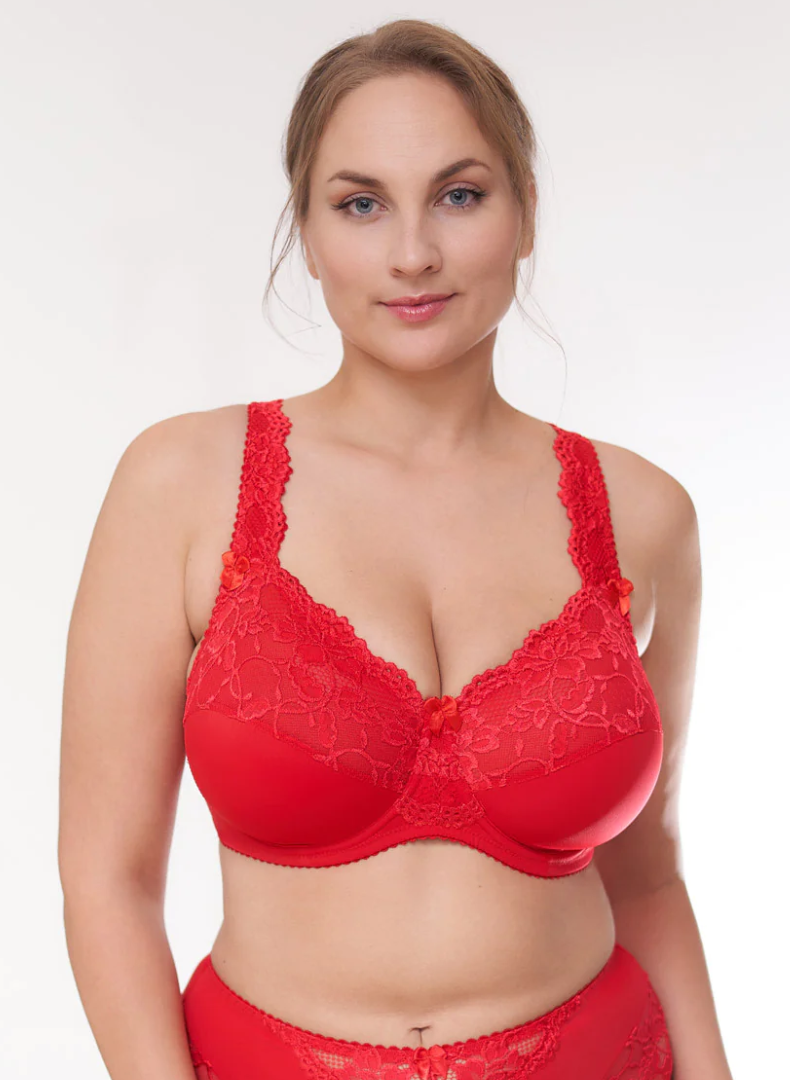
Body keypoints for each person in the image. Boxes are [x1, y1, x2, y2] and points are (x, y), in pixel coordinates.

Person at [58, 18, 733, 1080]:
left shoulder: (645, 513)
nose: (412, 253)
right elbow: (106, 880)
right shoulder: (182, 485)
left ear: (524, 214)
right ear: (307, 230)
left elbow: (649, 881)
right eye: (361, 204)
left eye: (459, 195)